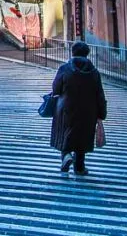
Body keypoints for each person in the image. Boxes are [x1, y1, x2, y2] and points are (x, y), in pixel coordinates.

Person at [50, 41, 107, 175]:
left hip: (66, 107)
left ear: (73, 53)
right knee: (82, 136)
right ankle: (79, 167)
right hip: (88, 111)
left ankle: (66, 156)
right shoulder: (94, 72)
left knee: (65, 132)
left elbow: (56, 89)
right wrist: (102, 113)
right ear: (87, 54)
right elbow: (99, 94)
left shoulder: (64, 68)